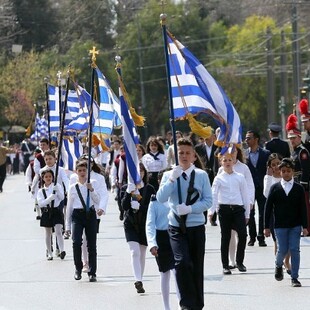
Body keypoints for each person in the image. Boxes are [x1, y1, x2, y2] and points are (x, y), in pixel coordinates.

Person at [157, 138, 212, 310]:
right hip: (176, 227)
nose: (184, 156)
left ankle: (197, 303)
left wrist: (190, 209)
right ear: (175, 155)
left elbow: (208, 201)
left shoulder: (202, 176)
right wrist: (172, 180)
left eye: (188, 153)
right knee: (181, 262)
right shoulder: (169, 175)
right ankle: (186, 304)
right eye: (181, 153)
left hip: (195, 227)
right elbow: (160, 198)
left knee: (196, 264)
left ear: (194, 156)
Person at [264, 158, 308, 287]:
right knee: (282, 249)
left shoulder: (298, 188)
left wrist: (305, 226)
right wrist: (266, 227)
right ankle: (278, 265)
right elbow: (268, 208)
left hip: (295, 225)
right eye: (283, 171)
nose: (286, 173)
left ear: (293, 172)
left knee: (295, 249)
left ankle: (295, 277)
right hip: (280, 225)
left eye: (289, 171)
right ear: (280, 172)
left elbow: (303, 208)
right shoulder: (275, 188)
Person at [209, 146, 254, 269]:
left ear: (233, 161)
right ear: (221, 162)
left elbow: (245, 195)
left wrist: (247, 214)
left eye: (229, 160)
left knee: (243, 235)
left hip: (238, 209)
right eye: (225, 160)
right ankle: (225, 265)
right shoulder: (218, 178)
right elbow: (213, 194)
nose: (227, 162)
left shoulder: (239, 177)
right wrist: (211, 211)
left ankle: (240, 262)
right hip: (224, 209)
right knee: (226, 237)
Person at [65, 160, 104, 282]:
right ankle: (78, 267)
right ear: (76, 172)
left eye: (84, 170)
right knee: (76, 242)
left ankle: (92, 272)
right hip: (77, 215)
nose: (82, 173)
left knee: (92, 244)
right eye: (80, 170)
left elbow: (97, 200)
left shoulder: (92, 183)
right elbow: (69, 207)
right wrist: (67, 227)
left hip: (90, 214)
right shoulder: (72, 187)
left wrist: (91, 190)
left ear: (88, 172)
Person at [121, 162, 155, 294]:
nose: (139, 174)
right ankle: (137, 280)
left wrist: (140, 207)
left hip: (144, 223)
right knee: (134, 251)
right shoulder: (126, 188)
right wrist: (129, 193)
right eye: (137, 172)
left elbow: (153, 207)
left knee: (141, 252)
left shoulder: (149, 188)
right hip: (130, 223)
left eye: (141, 171)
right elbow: (123, 206)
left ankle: (140, 278)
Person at [146, 184, 180, 309]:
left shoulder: (178, 198)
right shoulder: (155, 202)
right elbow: (150, 224)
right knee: (165, 272)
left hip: (176, 235)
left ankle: (180, 303)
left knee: (178, 271)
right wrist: (152, 243)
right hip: (161, 238)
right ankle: (166, 306)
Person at [244, 130, 270, 246]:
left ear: (256, 139)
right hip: (249, 187)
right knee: (250, 211)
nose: (247, 140)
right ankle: (252, 236)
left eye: (249, 138)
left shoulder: (266, 153)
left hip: (261, 186)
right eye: (246, 138)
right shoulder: (244, 154)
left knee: (262, 211)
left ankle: (261, 237)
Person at [286, 114, 310, 234]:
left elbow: (305, 169)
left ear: (300, 138)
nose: (292, 140)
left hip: (301, 182)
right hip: (294, 181)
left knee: (304, 207)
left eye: (294, 138)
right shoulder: (294, 152)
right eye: (290, 138)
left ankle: (307, 228)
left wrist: (303, 184)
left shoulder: (302, 151)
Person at [37, 169, 66, 260]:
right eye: (46, 177)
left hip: (56, 211)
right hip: (47, 212)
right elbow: (41, 203)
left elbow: (62, 198)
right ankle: (49, 252)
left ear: (53, 177)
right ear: (43, 178)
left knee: (58, 230)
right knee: (48, 233)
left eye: (50, 176)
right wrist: (50, 198)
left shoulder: (57, 186)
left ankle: (62, 250)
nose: (48, 178)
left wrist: (57, 191)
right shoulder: (41, 191)